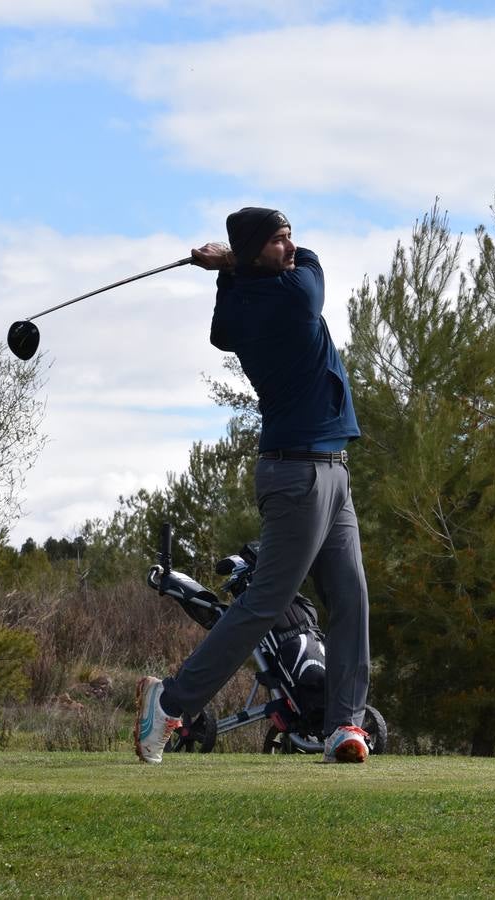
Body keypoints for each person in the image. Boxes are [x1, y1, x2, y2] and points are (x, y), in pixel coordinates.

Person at [134, 207, 371, 764]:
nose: (291, 248)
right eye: (278, 241)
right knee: (266, 602)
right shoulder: (293, 295)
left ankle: (344, 725)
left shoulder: (240, 300)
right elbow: (314, 269)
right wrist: (234, 260)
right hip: (298, 473)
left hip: (331, 467)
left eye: (289, 238)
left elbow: (220, 329)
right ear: (255, 251)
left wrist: (228, 268)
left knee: (352, 598)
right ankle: (169, 700)